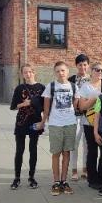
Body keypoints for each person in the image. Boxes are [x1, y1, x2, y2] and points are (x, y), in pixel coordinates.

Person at [40, 61, 80, 195]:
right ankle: (56, 182)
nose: (60, 73)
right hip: (55, 124)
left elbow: (75, 106)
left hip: (70, 123)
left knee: (67, 153)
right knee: (56, 153)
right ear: (54, 73)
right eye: (57, 71)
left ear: (68, 72)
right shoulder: (50, 87)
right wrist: (43, 123)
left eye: (63, 70)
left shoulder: (74, 87)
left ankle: (64, 181)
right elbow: (46, 109)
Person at [9, 64, 45, 190]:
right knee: (19, 150)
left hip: (35, 122)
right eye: (25, 72)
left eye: (30, 72)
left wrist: (44, 120)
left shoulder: (41, 87)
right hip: (21, 122)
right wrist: (24, 104)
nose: (28, 74)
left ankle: (31, 177)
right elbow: (13, 106)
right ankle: (17, 178)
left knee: (33, 149)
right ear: (22, 74)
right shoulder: (19, 88)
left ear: (34, 72)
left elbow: (44, 106)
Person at [78, 62, 102, 189]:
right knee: (92, 151)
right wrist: (94, 99)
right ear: (91, 71)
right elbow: (81, 106)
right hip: (88, 123)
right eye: (97, 70)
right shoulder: (85, 87)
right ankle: (92, 179)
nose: (100, 73)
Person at [68, 54, 90, 181]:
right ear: (76, 65)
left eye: (85, 64)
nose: (83, 67)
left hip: (88, 116)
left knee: (86, 143)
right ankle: (74, 169)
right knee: (74, 142)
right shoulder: (71, 79)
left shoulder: (92, 79)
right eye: (80, 64)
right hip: (74, 116)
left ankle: (85, 169)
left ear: (88, 65)